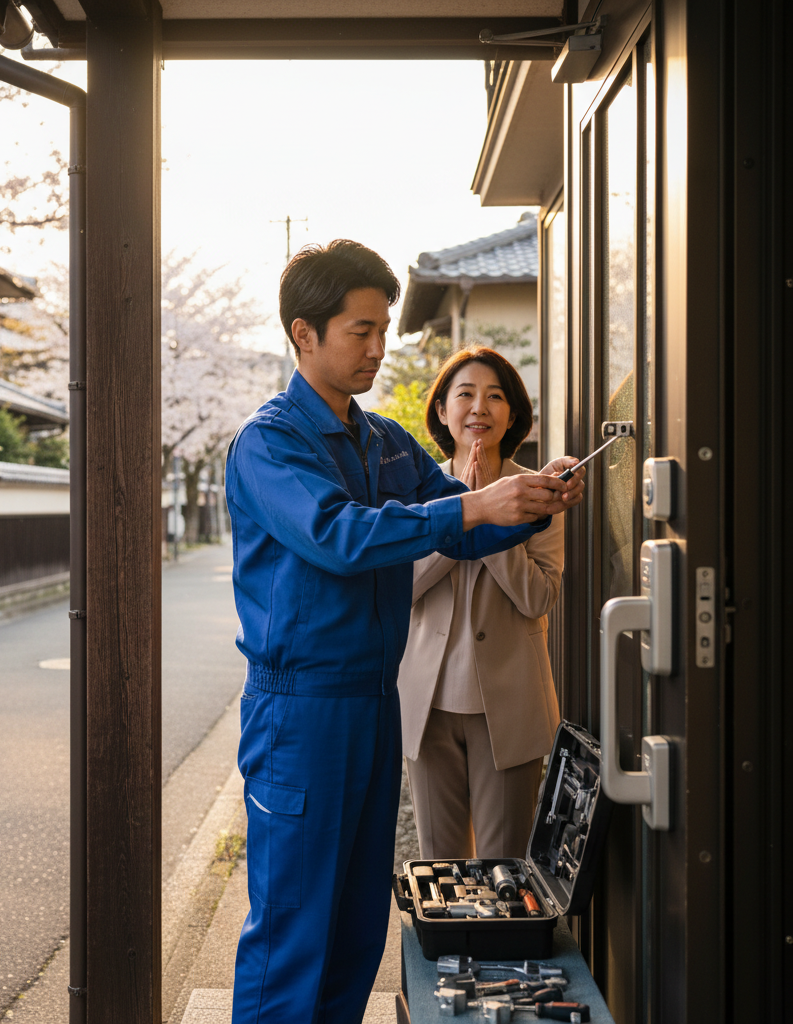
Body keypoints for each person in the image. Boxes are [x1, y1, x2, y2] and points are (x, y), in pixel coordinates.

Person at [225, 240, 584, 1024]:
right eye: (360, 330)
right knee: (293, 929)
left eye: (384, 329)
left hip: (373, 702)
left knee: (355, 925)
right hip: (300, 710)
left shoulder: (383, 439)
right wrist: (471, 506)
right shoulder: (269, 442)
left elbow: (457, 530)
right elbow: (339, 536)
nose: (378, 349)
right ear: (303, 334)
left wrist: (527, 499)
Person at [398, 347, 564, 861]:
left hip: (510, 704)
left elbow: (538, 596)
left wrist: (497, 513)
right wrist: (462, 513)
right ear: (443, 411)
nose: (479, 407)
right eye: (464, 394)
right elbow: (401, 586)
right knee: (439, 863)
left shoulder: (541, 493)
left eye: (495, 396)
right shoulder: (415, 493)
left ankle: (502, 947)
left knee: (504, 865)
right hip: (428, 703)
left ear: (512, 414)